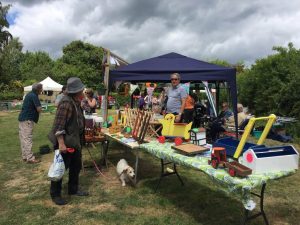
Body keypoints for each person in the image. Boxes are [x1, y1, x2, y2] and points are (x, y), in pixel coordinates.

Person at [48, 77, 88, 205]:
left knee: (76, 167)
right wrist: (61, 144)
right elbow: (59, 126)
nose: (83, 92)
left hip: (74, 141)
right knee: (60, 169)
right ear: (77, 91)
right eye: (82, 90)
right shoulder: (66, 103)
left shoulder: (75, 101)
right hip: (65, 142)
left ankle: (73, 189)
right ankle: (55, 194)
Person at [18, 83, 43, 163]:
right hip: (28, 119)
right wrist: (42, 110)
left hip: (23, 118)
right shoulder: (34, 96)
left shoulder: (29, 94)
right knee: (28, 138)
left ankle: (25, 156)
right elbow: (39, 109)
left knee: (23, 138)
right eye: (41, 89)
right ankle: (30, 158)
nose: (42, 90)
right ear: (38, 89)